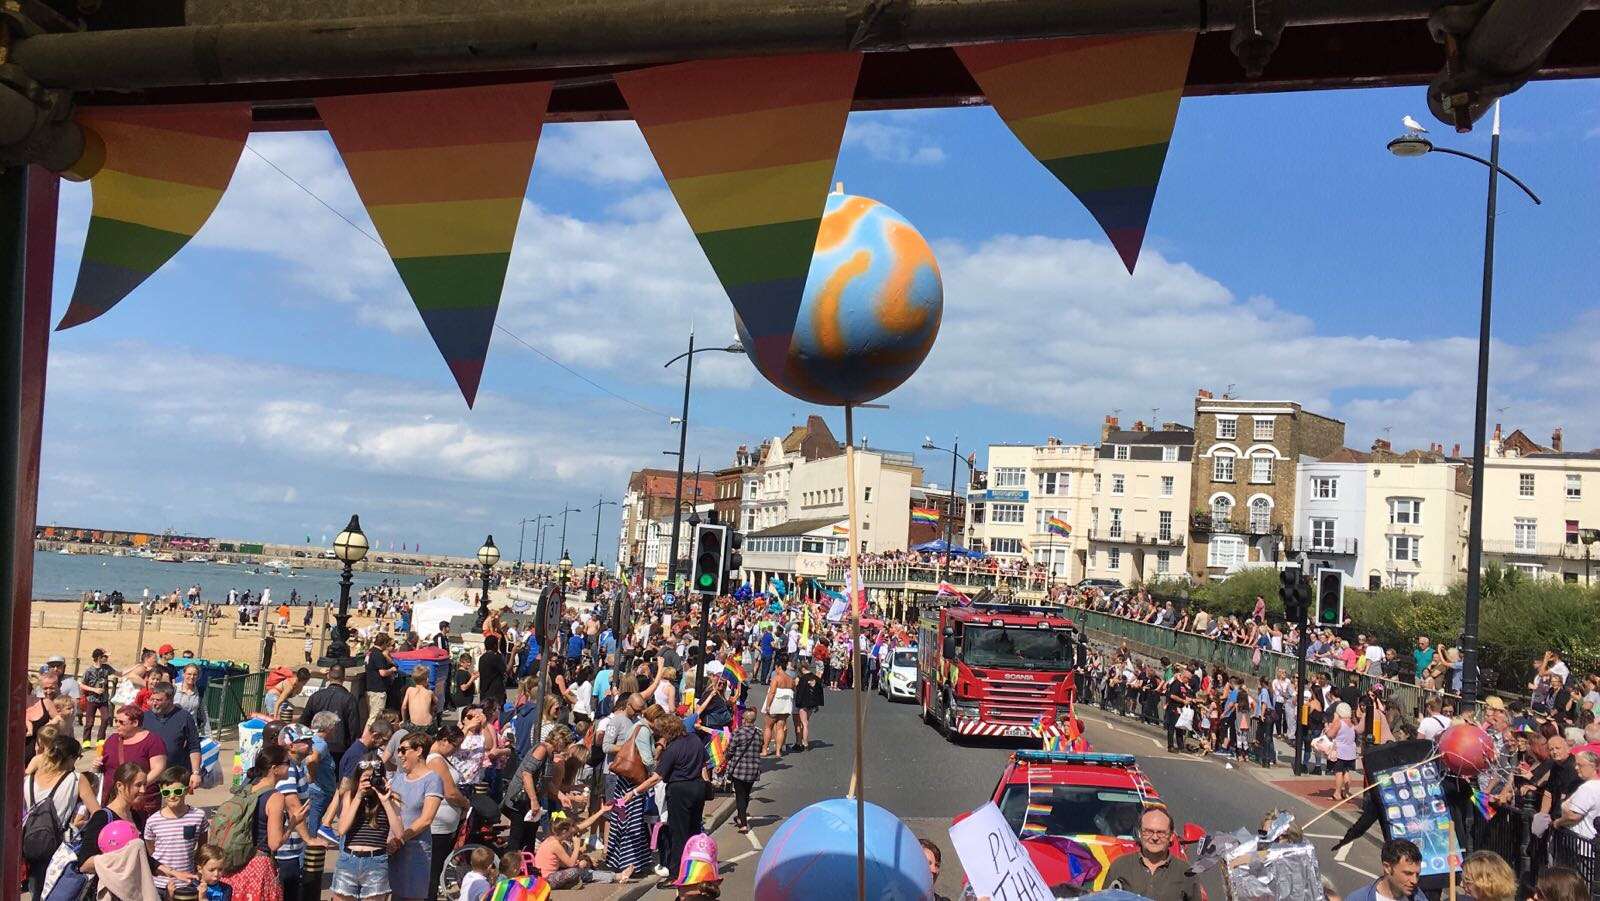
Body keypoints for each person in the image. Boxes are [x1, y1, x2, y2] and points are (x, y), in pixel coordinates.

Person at [23, 733, 99, 899]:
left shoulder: (28, 779)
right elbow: (97, 813)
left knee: (36, 891)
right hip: (60, 847)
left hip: (30, 843)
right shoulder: (76, 779)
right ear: (70, 758)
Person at [221, 744, 291, 901]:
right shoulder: (275, 797)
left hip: (237, 864)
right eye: (287, 763)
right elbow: (274, 843)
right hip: (260, 867)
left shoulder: (247, 788)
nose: (290, 767)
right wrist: (293, 824)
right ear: (275, 768)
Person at [330, 759, 402, 901]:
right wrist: (358, 796)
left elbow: (399, 833)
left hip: (376, 861)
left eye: (373, 778)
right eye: (365, 779)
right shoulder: (350, 796)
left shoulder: (392, 798)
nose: (370, 783)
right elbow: (342, 829)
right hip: (348, 860)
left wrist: (385, 801)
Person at [604, 696, 658, 875]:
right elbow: (647, 759)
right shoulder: (642, 729)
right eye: (635, 710)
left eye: (641, 710)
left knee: (621, 820)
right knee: (631, 823)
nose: (638, 713)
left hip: (625, 780)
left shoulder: (636, 724)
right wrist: (656, 771)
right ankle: (631, 863)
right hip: (632, 782)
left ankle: (618, 860)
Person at [388, 732, 444, 901]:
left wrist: (400, 839)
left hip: (415, 851)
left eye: (403, 750)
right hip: (391, 849)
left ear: (419, 750)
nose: (399, 754)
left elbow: (426, 819)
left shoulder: (432, 779)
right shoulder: (398, 777)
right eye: (398, 750)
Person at [655, 714, 708, 889]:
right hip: (697, 788)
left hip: (679, 791)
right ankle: (695, 869)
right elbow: (704, 763)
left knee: (678, 834)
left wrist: (634, 791)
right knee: (694, 830)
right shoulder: (695, 740)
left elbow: (659, 774)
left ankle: (676, 874)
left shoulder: (673, 748)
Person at [1103, 806, 1201, 900]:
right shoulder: (1120, 866)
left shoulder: (1186, 873)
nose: (1154, 838)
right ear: (1140, 833)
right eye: (1148, 831)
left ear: (1171, 836)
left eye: (1161, 832)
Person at [144, 765, 207, 897]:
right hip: (160, 883)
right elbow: (151, 850)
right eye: (166, 793)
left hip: (187, 882)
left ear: (186, 790)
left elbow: (202, 848)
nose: (172, 796)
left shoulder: (198, 816)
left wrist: (200, 870)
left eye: (177, 792)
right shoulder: (153, 820)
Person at [424, 726, 471, 901]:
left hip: (445, 825)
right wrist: (465, 804)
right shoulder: (435, 759)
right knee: (433, 871)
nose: (456, 750)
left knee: (436, 869)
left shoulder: (443, 757)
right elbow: (449, 791)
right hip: (437, 826)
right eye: (455, 745)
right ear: (443, 741)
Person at [100, 703, 169, 815]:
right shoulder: (112, 739)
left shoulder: (153, 741)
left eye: (121, 722)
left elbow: (158, 769)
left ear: (135, 723)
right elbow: (105, 765)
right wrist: (97, 764)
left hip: (139, 801)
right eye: (116, 721)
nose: (117, 725)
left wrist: (136, 787)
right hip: (113, 799)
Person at [535, 817, 634, 887]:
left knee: (581, 870)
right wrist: (577, 845)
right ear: (564, 832)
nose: (571, 835)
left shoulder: (551, 840)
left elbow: (560, 863)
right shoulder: (555, 844)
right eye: (570, 832)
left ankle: (617, 876)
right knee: (576, 872)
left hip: (547, 876)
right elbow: (570, 864)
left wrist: (578, 863)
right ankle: (618, 876)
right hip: (547, 880)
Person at [143, 682, 203, 791]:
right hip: (149, 776)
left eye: (159, 700)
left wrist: (195, 773)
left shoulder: (184, 717)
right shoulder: (145, 717)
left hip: (175, 776)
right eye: (152, 700)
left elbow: (194, 747)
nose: (154, 704)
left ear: (170, 700)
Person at [299, 664, 361, 760]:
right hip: (339, 750)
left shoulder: (316, 696)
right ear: (344, 677)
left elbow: (303, 723)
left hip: (315, 748)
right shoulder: (349, 699)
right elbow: (354, 729)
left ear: (328, 676)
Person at [1345, 839, 1425, 901]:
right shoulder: (1358, 899)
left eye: (1417, 874)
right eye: (1408, 873)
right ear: (1387, 868)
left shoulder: (1419, 896)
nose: (1414, 881)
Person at [724, 708, 761, 833]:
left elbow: (730, 750)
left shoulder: (738, 733)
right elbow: (760, 748)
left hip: (739, 769)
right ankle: (740, 816)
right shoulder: (759, 733)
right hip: (753, 769)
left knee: (740, 796)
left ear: (744, 720)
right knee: (746, 795)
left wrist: (726, 757)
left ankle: (743, 823)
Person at [1552, 750, 1600, 840]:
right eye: (1576, 764)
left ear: (1593, 766)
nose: (1576, 768)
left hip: (1582, 844)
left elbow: (1573, 816)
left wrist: (1558, 822)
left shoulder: (1587, 788)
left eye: (1580, 765)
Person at [81, 648, 118, 742]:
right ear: (99, 658)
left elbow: (120, 674)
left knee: (106, 718)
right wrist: (94, 690)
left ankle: (100, 740)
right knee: (89, 722)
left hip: (103, 700)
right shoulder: (89, 671)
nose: (107, 658)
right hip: (91, 699)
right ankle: (86, 741)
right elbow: (81, 684)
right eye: (105, 656)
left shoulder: (107, 668)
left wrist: (135, 668)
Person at [761, 664, 795, 759]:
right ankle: (778, 751)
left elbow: (772, 692)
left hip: (775, 704)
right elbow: (793, 690)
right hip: (785, 706)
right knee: (780, 728)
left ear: (778, 667)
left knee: (768, 727)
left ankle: (765, 749)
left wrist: (768, 705)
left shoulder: (776, 678)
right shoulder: (790, 679)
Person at [364, 634, 398, 724]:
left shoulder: (370, 652)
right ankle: (366, 737)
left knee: (372, 715)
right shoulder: (378, 654)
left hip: (370, 687)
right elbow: (382, 673)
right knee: (375, 717)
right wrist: (391, 670)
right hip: (378, 689)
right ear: (383, 643)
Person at [793, 662, 824, 752]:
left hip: (803, 703)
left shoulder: (802, 678)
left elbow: (798, 691)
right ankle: (804, 740)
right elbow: (819, 691)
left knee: (804, 723)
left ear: (802, 669)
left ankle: (805, 742)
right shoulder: (815, 678)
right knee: (806, 721)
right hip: (812, 703)